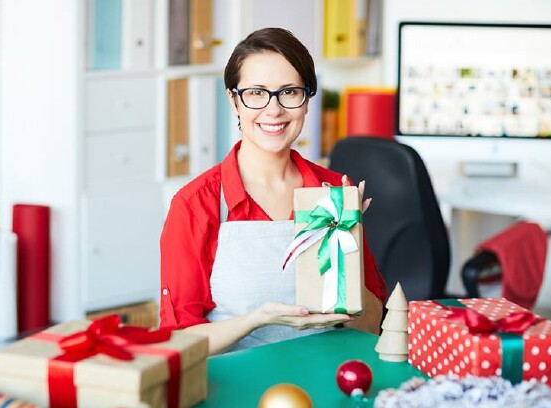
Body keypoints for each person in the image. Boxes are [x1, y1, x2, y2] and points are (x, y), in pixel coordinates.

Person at [159, 28, 387, 354]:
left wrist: (343, 255)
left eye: (290, 92)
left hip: (326, 376)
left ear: (307, 100)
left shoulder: (335, 192)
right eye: (256, 93)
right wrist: (255, 320)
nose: (274, 109)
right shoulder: (196, 204)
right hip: (234, 389)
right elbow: (177, 343)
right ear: (234, 100)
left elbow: (373, 326)